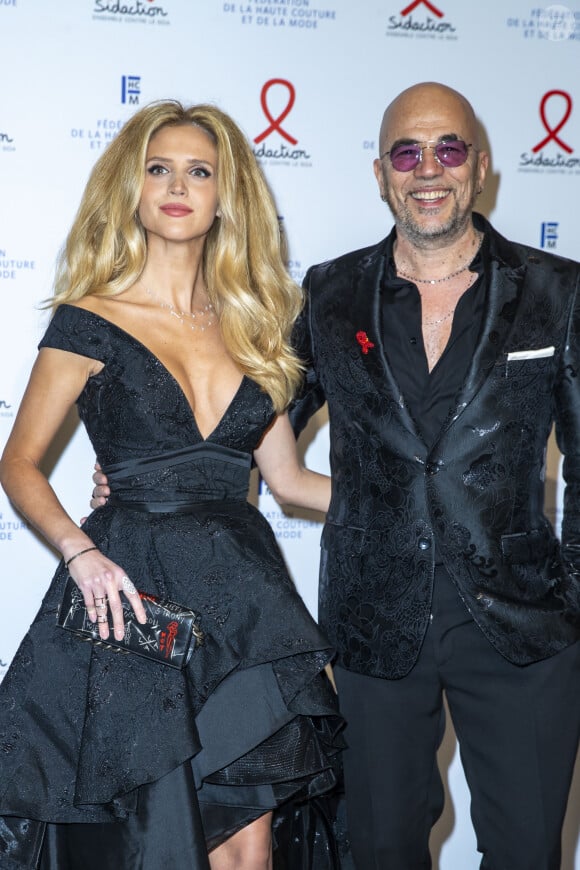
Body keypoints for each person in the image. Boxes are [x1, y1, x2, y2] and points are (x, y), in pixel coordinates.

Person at [89, 82, 580, 869]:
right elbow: (247, 411)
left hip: (524, 627)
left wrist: (575, 598)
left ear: (480, 167)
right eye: (407, 153)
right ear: (381, 173)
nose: (429, 170)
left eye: (448, 149)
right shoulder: (327, 293)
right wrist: (151, 467)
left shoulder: (559, 292)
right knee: (379, 849)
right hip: (371, 623)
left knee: (526, 851)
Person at [0, 100, 348, 870]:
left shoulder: (257, 326)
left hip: (244, 608)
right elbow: (18, 462)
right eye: (159, 169)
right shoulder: (89, 320)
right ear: (133, 188)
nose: (177, 186)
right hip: (134, 600)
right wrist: (79, 553)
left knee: (249, 836)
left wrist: (405, 500)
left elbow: (288, 481)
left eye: (199, 171)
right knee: (155, 829)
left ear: (228, 194)